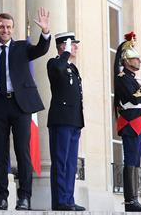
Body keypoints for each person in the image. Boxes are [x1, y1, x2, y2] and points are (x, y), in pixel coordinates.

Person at [0, 10, 51, 210]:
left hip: (20, 105)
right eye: (1, 26)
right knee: (0, 154)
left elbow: (41, 49)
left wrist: (45, 31)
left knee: (22, 151)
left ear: (13, 29)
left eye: (9, 27)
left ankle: (24, 198)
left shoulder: (22, 47)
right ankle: (2, 198)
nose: (5, 30)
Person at [113, 32, 141, 212]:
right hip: (131, 124)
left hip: (139, 123)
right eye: (136, 59)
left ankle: (134, 198)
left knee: (136, 160)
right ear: (127, 61)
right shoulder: (123, 78)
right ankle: (130, 201)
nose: (139, 62)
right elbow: (135, 99)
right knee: (130, 159)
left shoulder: (132, 80)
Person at [47, 32, 85, 211]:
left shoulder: (73, 67)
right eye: (72, 44)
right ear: (63, 45)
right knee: (60, 161)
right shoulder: (55, 63)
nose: (76, 47)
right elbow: (58, 69)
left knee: (70, 163)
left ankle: (68, 198)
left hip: (74, 120)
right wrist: (65, 54)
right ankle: (60, 201)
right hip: (61, 119)